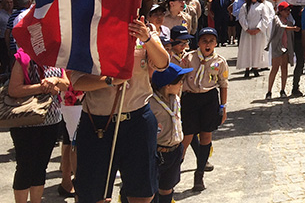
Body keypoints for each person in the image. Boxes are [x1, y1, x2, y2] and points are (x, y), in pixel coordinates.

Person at [69, 17, 169, 203]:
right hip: (98, 124)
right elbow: (77, 81)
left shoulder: (145, 33)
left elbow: (163, 63)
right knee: (92, 194)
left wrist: (147, 39)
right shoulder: (87, 33)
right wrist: (109, 81)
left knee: (142, 192)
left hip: (138, 120)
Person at [7, 48, 68, 203]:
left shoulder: (57, 56)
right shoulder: (23, 57)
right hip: (26, 122)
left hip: (51, 120)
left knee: (41, 167)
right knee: (25, 167)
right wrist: (42, 87)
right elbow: (13, 90)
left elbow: (66, 83)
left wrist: (56, 81)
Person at [180, 27, 229, 191]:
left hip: (208, 99)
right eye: (204, 41)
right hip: (190, 99)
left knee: (206, 135)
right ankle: (172, 170)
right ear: (198, 43)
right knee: (186, 136)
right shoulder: (189, 58)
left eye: (211, 41)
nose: (207, 44)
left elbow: (223, 84)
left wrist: (223, 106)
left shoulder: (220, 61)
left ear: (215, 43)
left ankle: (199, 173)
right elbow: (180, 80)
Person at [149, 64, 193, 203]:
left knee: (168, 188)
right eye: (179, 81)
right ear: (167, 84)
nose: (182, 84)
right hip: (157, 152)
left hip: (174, 150)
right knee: (152, 189)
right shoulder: (151, 103)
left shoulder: (175, 98)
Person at [236, 0, 274, 78]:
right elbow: (241, 18)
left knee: (257, 50)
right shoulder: (245, 6)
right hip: (247, 32)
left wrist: (258, 29)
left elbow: (265, 18)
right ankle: (247, 69)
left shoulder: (262, 6)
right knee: (247, 49)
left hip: (258, 32)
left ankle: (256, 67)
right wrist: (247, 29)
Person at [265, 2, 300, 100]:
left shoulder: (289, 20)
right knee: (275, 68)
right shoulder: (276, 19)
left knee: (284, 68)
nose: (288, 12)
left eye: (289, 10)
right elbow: (280, 26)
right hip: (277, 46)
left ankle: (283, 89)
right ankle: (269, 91)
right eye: (286, 10)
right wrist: (293, 28)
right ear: (280, 11)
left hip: (286, 47)